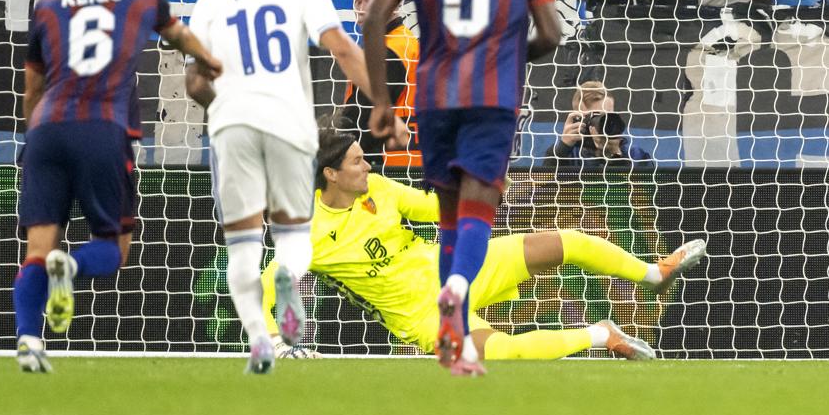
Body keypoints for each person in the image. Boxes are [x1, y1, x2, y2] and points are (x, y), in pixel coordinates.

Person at [358, 0, 566, 375]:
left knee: (450, 212)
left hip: (433, 96)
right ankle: (455, 291)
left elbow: (376, 17)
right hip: (491, 94)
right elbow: (552, 33)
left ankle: (456, 344)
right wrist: (510, 56)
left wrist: (383, 104)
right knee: (480, 207)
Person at [264, 132, 702, 361]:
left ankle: (655, 273)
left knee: (565, 241)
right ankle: (602, 335)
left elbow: (433, 208)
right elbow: (270, 280)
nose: (368, 165)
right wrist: (274, 339)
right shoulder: (308, 232)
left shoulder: (378, 188)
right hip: (423, 315)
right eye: (358, 161)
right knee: (505, 351)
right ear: (331, 175)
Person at [13, 0, 221, 372]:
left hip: (47, 130)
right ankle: (72, 268)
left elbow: (33, 88)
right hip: (102, 129)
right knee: (113, 248)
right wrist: (210, 61)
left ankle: (28, 340)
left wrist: (33, 140)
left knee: (36, 249)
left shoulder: (46, 6)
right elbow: (179, 36)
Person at [182, 0, 368, 373]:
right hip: (288, 123)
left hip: (234, 126)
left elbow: (195, 82)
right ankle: (289, 281)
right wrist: (383, 105)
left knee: (243, 244)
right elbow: (343, 49)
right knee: (292, 236)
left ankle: (261, 342)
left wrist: (222, 104)